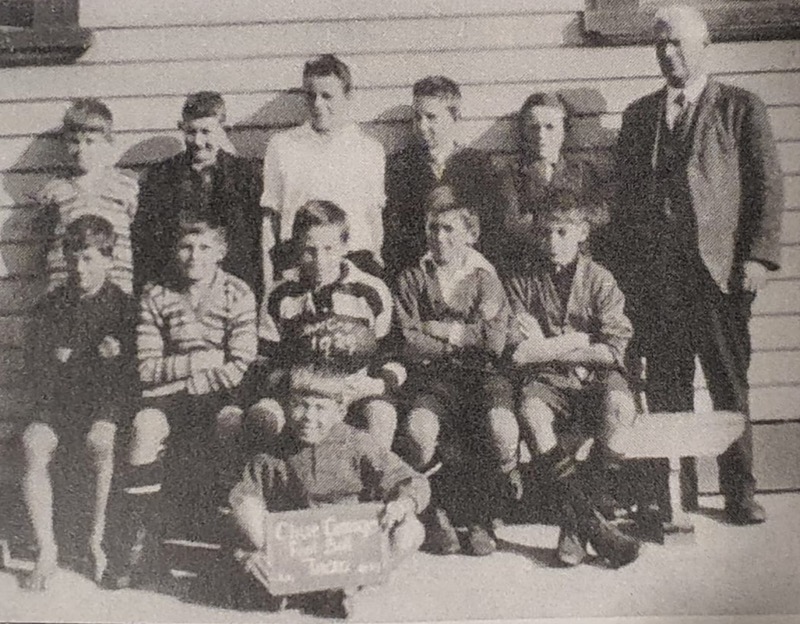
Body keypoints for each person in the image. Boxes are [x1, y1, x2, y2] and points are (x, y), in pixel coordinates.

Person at [610, 5, 784, 524]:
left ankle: (740, 492)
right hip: (659, 282)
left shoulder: (740, 108)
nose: (668, 54)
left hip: (719, 277)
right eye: (660, 45)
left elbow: (767, 188)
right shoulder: (639, 116)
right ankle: (673, 495)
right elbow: (626, 205)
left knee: (729, 384)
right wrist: (629, 280)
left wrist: (758, 257)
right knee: (667, 388)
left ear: (704, 46)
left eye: (678, 43)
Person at [104, 218, 257, 588]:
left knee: (232, 425)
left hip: (219, 395)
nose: (194, 256)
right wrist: (201, 361)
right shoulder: (156, 294)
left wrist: (189, 380)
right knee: (145, 428)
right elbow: (147, 367)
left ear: (221, 252)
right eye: (186, 247)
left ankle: (233, 546)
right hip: (167, 398)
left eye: (204, 248)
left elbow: (239, 364)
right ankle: (139, 545)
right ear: (175, 251)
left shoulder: (237, 292)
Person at [503, 190, 640, 568]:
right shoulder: (522, 281)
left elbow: (612, 351)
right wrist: (579, 340)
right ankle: (595, 528)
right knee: (531, 413)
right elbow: (519, 352)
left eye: (562, 232)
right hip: (548, 381)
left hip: (598, 377)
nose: (552, 242)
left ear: (582, 233)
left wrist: (549, 346)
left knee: (620, 409)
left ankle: (575, 525)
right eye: (546, 232)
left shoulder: (600, 280)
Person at [228, 366, 428, 618]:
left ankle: (345, 587)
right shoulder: (272, 449)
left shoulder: (358, 443)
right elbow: (245, 496)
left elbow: (411, 479)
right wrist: (255, 548)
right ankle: (288, 581)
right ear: (287, 406)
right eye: (300, 406)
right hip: (294, 548)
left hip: (346, 547)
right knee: (245, 507)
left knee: (411, 529)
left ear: (340, 412)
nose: (308, 417)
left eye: (320, 408)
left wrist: (402, 504)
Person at [393, 185, 514, 557]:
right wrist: (456, 343)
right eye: (433, 228)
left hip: (482, 374)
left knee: (497, 427)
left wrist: (444, 330)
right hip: (434, 377)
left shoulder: (484, 277)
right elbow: (408, 339)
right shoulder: (413, 277)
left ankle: (482, 514)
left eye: (449, 229)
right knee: (419, 430)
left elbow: (493, 340)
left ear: (470, 234)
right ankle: (435, 510)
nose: (440, 237)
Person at [21, 215, 138, 590]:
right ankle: (46, 549)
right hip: (57, 405)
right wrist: (82, 362)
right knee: (33, 443)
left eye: (89, 259)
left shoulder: (125, 308)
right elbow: (39, 370)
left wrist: (77, 362)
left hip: (104, 406)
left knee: (101, 441)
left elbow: (129, 375)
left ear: (109, 259)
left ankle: (95, 540)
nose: (79, 268)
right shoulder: (50, 306)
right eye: (73, 258)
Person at [250, 200, 403, 450]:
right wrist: (293, 383)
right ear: (297, 247)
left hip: (354, 392)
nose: (320, 260)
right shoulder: (281, 294)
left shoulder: (371, 291)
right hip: (298, 393)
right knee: (262, 418)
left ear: (345, 246)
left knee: (381, 416)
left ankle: (373, 475)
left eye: (329, 248)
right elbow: (263, 361)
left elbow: (394, 356)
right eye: (309, 250)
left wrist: (375, 384)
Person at [260, 54, 386, 291]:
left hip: (354, 266)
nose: (318, 104)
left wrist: (374, 265)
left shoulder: (369, 149)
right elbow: (270, 221)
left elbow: (373, 217)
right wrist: (270, 283)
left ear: (347, 97)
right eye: (311, 96)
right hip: (298, 266)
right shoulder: (282, 146)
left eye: (327, 96)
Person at [132, 91, 264, 301]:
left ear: (223, 129)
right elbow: (146, 242)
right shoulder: (161, 177)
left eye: (206, 131)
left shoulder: (246, 176)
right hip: (176, 290)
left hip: (232, 291)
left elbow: (256, 241)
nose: (198, 141)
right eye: (191, 132)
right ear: (181, 128)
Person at [383, 75, 508, 283]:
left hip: (467, 275)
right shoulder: (400, 167)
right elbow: (394, 234)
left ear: (454, 117)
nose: (422, 126)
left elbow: (492, 231)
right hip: (417, 276)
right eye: (417, 117)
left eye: (431, 117)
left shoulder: (478, 166)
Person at [37, 98, 139, 294]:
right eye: (74, 142)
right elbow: (47, 240)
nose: (81, 149)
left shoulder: (125, 187)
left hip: (115, 286)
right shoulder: (55, 191)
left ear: (107, 142)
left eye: (90, 141)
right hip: (68, 287)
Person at [501, 92, 612, 269]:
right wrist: (562, 220)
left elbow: (601, 215)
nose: (541, 135)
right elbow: (513, 222)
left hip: (575, 263)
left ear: (564, 130)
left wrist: (571, 217)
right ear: (524, 132)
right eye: (534, 127)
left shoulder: (581, 171)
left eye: (550, 127)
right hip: (531, 266)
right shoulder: (513, 175)